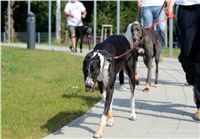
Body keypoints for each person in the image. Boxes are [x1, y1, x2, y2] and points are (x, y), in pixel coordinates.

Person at [167, 0, 200, 120]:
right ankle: (194, 82)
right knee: (187, 54)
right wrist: (170, 5)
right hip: (185, 9)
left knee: (198, 56)